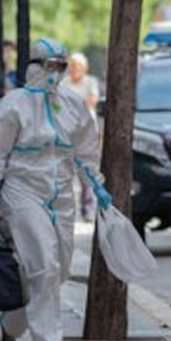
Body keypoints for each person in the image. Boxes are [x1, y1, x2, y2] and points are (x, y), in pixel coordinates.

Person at [0, 38, 108, 341]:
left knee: (58, 269)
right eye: (50, 66)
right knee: (43, 266)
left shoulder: (73, 104)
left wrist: (97, 185)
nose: (55, 73)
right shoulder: (14, 105)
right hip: (23, 190)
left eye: (60, 67)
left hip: (61, 192)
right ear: (34, 66)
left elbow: (87, 147)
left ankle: (11, 323)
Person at [60, 52, 101, 217]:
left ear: (84, 68)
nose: (75, 68)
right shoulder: (63, 82)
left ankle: (88, 207)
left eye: (78, 65)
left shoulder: (91, 82)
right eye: (72, 65)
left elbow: (92, 100)